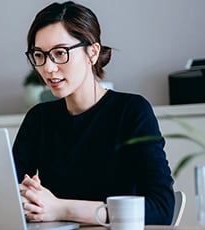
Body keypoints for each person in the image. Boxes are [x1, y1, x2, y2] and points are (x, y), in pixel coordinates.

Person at [13, 1, 175, 225]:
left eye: (60, 53)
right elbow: (12, 196)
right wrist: (26, 198)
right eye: (39, 55)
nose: (48, 68)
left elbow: (161, 208)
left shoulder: (132, 111)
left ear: (92, 52)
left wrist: (62, 209)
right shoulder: (38, 118)